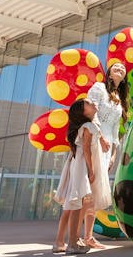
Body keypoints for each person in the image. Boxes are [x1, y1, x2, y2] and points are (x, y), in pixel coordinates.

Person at [82, 61, 129, 247]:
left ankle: (88, 237)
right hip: (94, 141)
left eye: (123, 68)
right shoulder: (99, 88)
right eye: (115, 66)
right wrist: (100, 137)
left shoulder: (119, 98)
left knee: (96, 191)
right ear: (109, 73)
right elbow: (89, 113)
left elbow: (116, 129)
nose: (120, 68)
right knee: (86, 188)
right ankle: (73, 237)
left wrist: (113, 155)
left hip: (107, 147)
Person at [53, 99, 97, 254]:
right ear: (83, 112)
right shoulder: (88, 126)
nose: (93, 104)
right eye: (89, 104)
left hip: (73, 163)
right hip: (80, 165)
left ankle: (59, 242)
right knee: (77, 203)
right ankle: (72, 244)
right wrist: (91, 171)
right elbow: (87, 149)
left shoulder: (80, 127)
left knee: (70, 205)